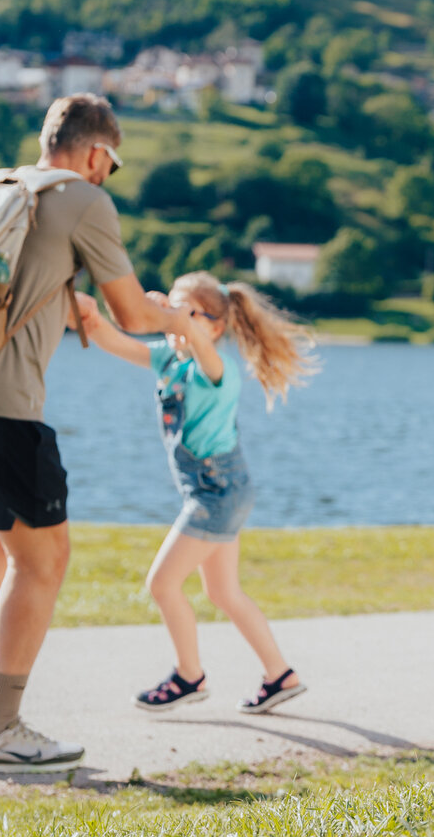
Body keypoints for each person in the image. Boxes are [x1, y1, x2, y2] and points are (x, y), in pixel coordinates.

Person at [0, 95, 189, 773]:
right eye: (110, 166)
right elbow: (132, 311)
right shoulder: (84, 200)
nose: (106, 178)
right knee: (45, 559)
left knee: (7, 542)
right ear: (97, 154)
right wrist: (187, 322)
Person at [73, 271, 317, 714]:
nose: (175, 319)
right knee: (224, 593)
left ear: (216, 325)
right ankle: (281, 675)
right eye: (174, 309)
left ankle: (190, 676)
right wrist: (90, 315)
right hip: (216, 491)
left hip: (218, 492)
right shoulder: (170, 359)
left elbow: (196, 343)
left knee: (162, 584)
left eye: (189, 312)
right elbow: (113, 339)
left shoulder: (214, 367)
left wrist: (169, 315)